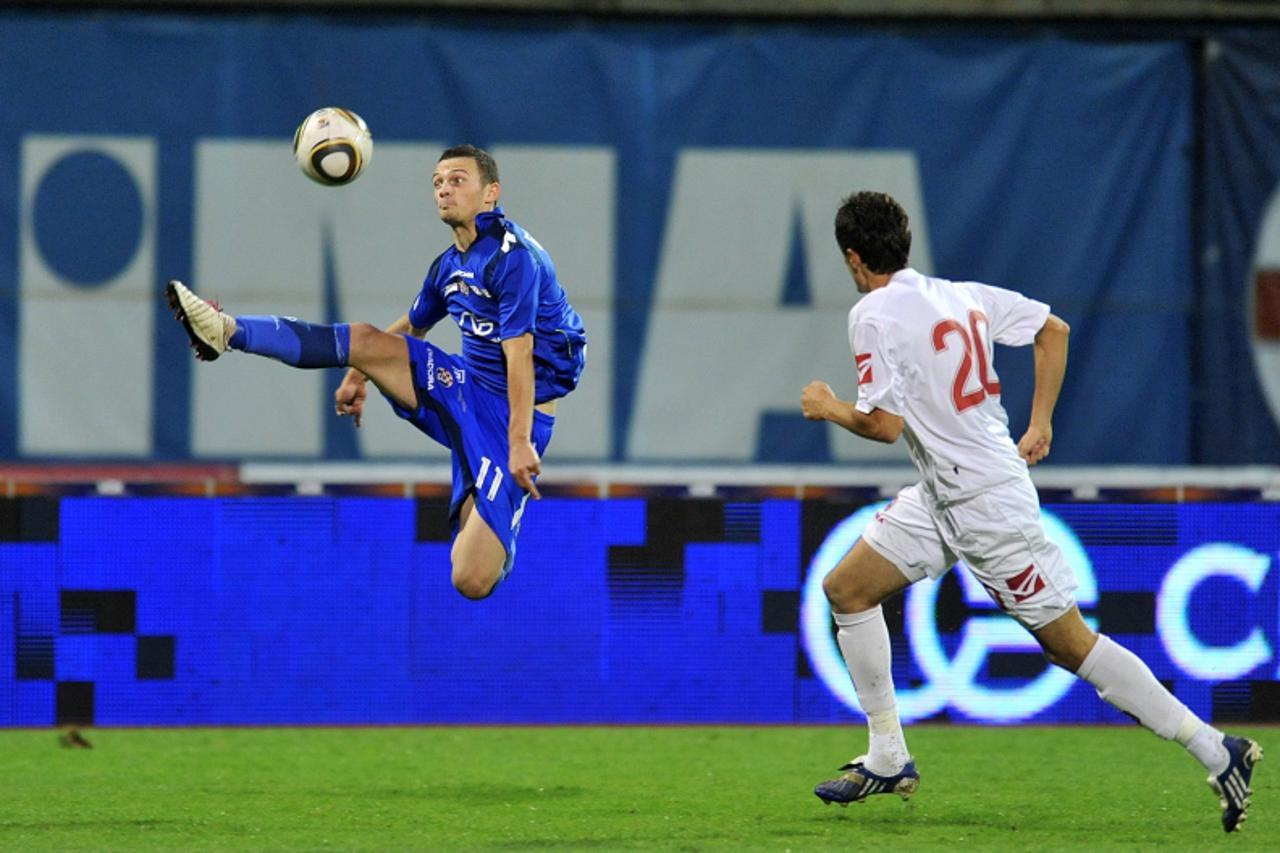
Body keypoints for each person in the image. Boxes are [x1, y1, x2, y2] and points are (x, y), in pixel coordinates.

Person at [800, 191, 1262, 832]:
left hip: (985, 502)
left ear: (854, 259)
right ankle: (888, 754)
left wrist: (830, 408)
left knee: (1070, 645)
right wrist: (1039, 423)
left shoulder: (872, 313)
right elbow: (1053, 331)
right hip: (944, 493)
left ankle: (1218, 749)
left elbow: (883, 427)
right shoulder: (960, 294)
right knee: (847, 589)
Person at [167, 144, 586, 600]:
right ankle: (226, 331)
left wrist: (520, 441)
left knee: (470, 578)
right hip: (465, 388)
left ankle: (499, 521)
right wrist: (361, 371)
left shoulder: (513, 258)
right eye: (437, 182)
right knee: (365, 339)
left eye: (458, 179)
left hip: (512, 418)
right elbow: (414, 327)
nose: (444, 189)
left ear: (491, 193)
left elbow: (520, 353)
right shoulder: (449, 267)